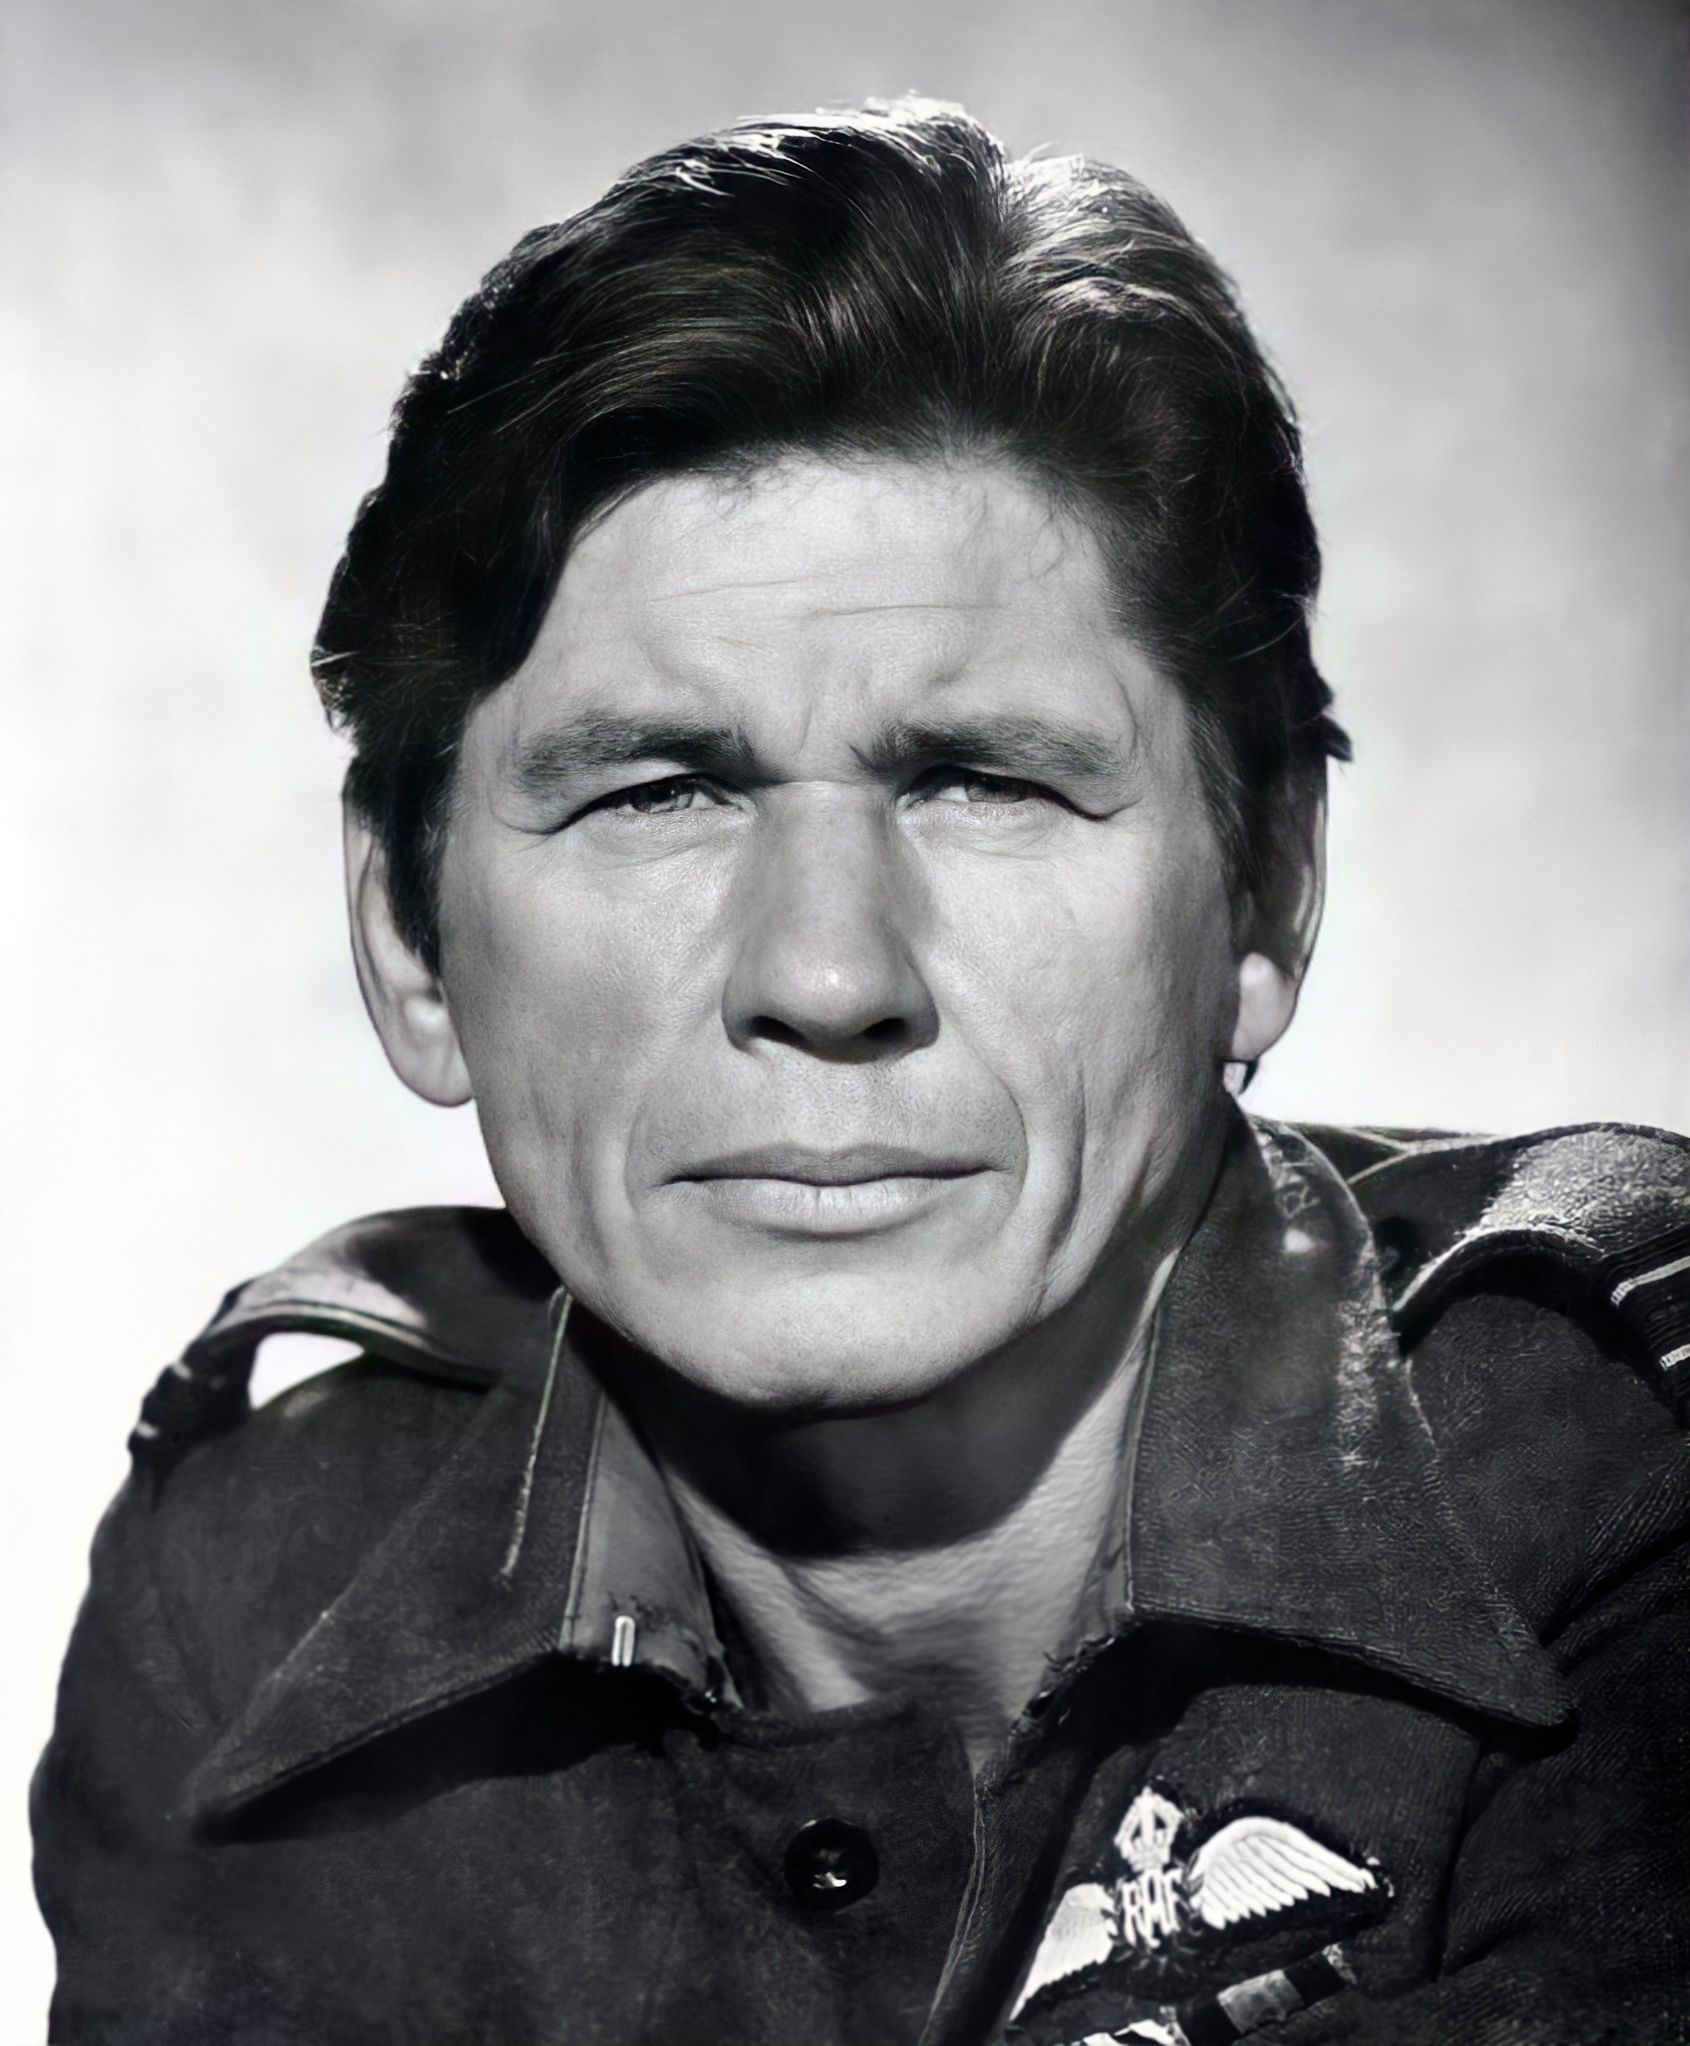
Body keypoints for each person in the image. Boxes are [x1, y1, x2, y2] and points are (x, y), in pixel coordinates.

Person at [31, 98, 1690, 2046]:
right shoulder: (248, 1610)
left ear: (1264, 893)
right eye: (657, 791)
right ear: (410, 937)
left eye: (984, 783)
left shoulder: (1621, 1491)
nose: (826, 976)